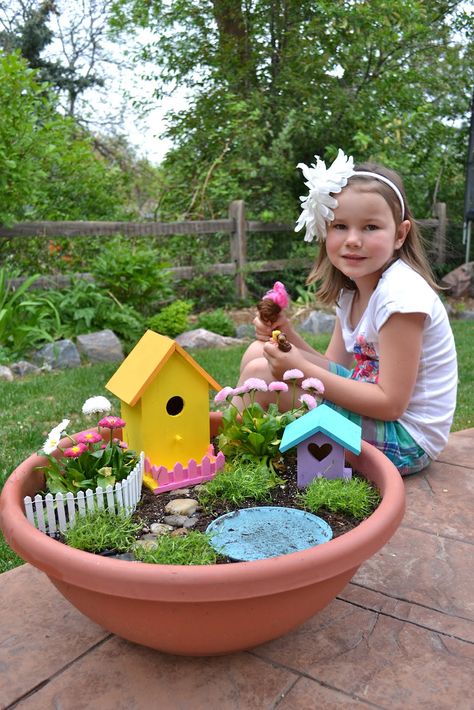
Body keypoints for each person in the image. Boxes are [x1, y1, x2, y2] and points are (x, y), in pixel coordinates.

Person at [237, 149, 458, 475]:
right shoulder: (351, 293)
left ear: (399, 235)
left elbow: (391, 404)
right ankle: (252, 447)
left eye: (370, 227)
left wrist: (297, 367)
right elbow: (335, 368)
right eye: (340, 225)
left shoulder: (401, 298)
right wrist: (289, 339)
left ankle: (238, 458)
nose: (353, 240)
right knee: (260, 352)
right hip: (380, 417)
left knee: (265, 380)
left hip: (408, 439)